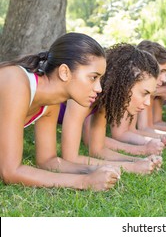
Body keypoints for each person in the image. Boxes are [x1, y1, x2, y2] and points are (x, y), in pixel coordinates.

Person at [0, 32, 121, 191]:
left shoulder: (50, 104)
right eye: (93, 77)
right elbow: (10, 171)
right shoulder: (15, 81)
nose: (99, 88)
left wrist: (92, 169)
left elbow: (47, 160)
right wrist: (84, 181)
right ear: (64, 72)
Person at [60, 43, 162, 173]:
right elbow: (70, 158)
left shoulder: (104, 99)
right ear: (124, 83)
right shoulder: (84, 93)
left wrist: (137, 161)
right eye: (144, 93)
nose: (148, 102)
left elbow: (98, 149)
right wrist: (131, 167)